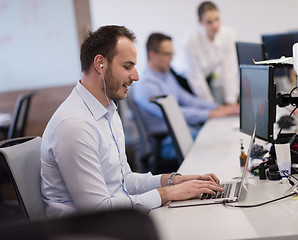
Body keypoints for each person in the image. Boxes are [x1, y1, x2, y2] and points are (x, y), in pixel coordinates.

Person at [40, 25, 224, 218]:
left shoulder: (107, 110)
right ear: (100, 64)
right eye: (127, 66)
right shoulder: (74, 125)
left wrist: (173, 181)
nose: (136, 76)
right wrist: (167, 194)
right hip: (89, 230)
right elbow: (98, 211)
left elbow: (123, 180)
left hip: (117, 219)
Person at [132, 33, 239, 160]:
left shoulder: (165, 74)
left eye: (172, 53)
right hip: (168, 141)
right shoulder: (146, 84)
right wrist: (212, 113)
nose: (171, 58)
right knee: (218, 140)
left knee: (222, 135)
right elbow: (173, 114)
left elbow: (188, 100)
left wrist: (219, 108)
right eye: (167, 54)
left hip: (185, 130)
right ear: (152, 54)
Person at [172, 1, 239, 104]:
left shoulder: (229, 35)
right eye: (209, 22)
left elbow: (229, 70)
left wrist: (231, 101)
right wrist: (212, 107)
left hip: (206, 74)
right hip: (183, 78)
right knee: (201, 109)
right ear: (200, 22)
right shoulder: (190, 41)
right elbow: (196, 78)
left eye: (217, 19)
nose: (215, 25)